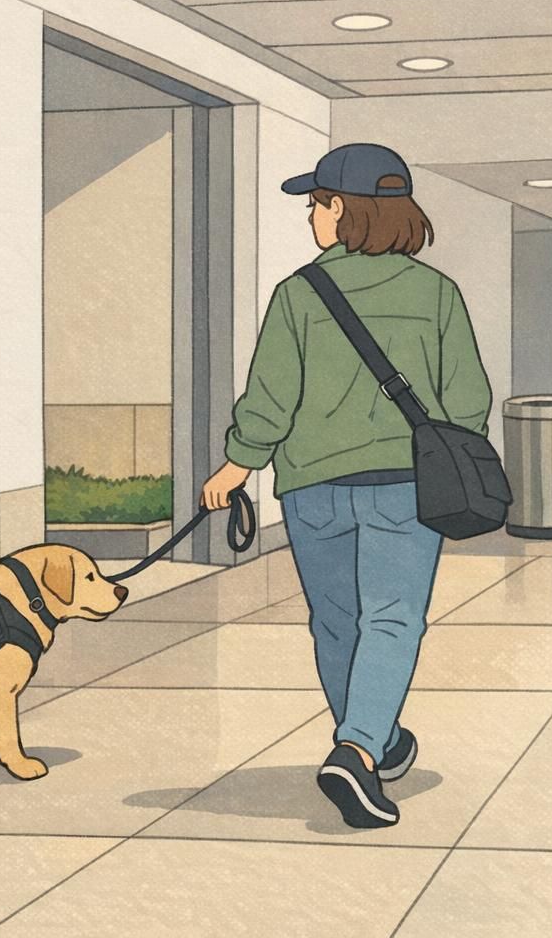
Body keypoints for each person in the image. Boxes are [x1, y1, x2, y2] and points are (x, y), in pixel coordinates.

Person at [199, 142, 492, 829]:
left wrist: (238, 464)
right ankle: (363, 745)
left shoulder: (299, 294)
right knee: (391, 618)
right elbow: (468, 400)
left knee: (336, 622)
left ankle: (369, 742)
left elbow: (271, 396)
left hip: (314, 489)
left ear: (343, 208)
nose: (310, 220)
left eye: (316, 206)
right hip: (405, 487)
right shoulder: (438, 293)